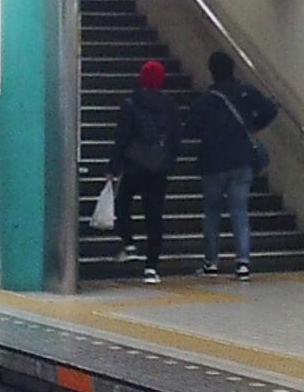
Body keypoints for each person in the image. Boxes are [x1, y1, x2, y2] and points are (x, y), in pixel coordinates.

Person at [182, 51, 277, 281]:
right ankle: (243, 264)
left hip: (213, 162)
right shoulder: (246, 92)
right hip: (242, 160)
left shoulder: (206, 99)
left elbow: (190, 129)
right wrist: (254, 125)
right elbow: (270, 109)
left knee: (212, 213)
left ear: (212, 71)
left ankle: (211, 262)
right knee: (239, 212)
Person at [110, 59, 182, 284]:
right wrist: (168, 160)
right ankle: (151, 268)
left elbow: (122, 137)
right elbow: (176, 139)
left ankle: (129, 244)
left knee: (122, 202)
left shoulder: (131, 103)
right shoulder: (170, 105)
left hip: (133, 165)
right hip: (158, 168)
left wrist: (113, 166)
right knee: (154, 216)